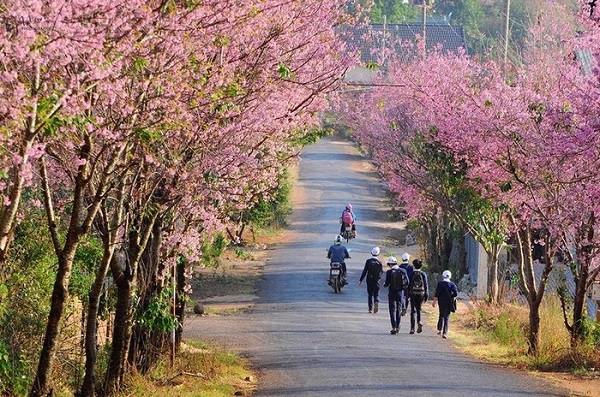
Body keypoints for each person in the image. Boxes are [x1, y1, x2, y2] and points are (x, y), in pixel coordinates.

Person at [383, 256, 409, 334]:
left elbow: (386, 284)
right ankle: (398, 326)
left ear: (390, 264)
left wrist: (385, 284)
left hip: (392, 293)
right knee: (399, 310)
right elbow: (407, 282)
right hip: (400, 293)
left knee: (392, 310)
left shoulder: (389, 272)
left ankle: (393, 326)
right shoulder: (403, 271)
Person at [432, 270, 459, 339]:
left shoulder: (440, 284)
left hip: (441, 302)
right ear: (450, 276)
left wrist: (434, 302)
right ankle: (445, 332)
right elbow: (456, 293)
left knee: (441, 315)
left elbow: (436, 293)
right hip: (448, 302)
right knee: (446, 317)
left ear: (443, 276)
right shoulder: (452, 284)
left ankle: (439, 329)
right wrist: (451, 296)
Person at [359, 247, 383, 313]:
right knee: (376, 293)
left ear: (371, 253)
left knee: (370, 294)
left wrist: (361, 280)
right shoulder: (379, 262)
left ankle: (370, 308)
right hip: (376, 280)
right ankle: (376, 301)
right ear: (378, 254)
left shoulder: (368, 261)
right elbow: (381, 272)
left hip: (369, 279)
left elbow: (365, 271)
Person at [408, 259, 429, 334]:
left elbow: (409, 284)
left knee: (412, 311)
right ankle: (419, 321)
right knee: (419, 309)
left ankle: (412, 328)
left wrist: (407, 295)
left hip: (413, 293)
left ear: (413, 265)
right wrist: (426, 295)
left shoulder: (411, 274)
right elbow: (426, 285)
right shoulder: (423, 274)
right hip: (421, 293)